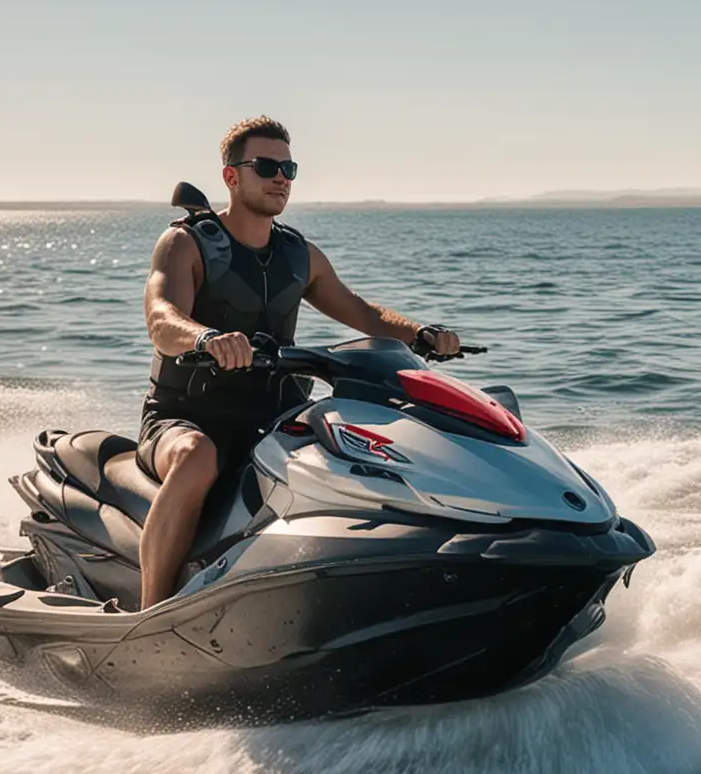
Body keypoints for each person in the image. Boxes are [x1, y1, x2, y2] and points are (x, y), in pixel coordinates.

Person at [136, 115, 460, 609]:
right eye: (266, 166)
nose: (280, 177)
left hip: (272, 418)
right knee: (197, 457)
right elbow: (162, 320)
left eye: (289, 167)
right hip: (185, 418)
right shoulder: (186, 243)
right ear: (231, 176)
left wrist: (420, 334)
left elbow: (364, 313)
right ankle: (151, 613)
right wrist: (207, 337)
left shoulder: (298, 254)